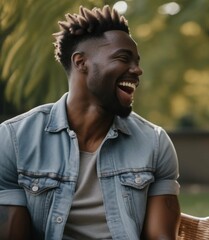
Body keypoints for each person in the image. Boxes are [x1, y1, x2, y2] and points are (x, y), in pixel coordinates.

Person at [0, 5, 180, 239]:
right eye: (124, 58)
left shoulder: (154, 143)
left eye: (137, 61)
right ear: (81, 62)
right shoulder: (14, 140)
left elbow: (161, 237)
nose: (137, 70)